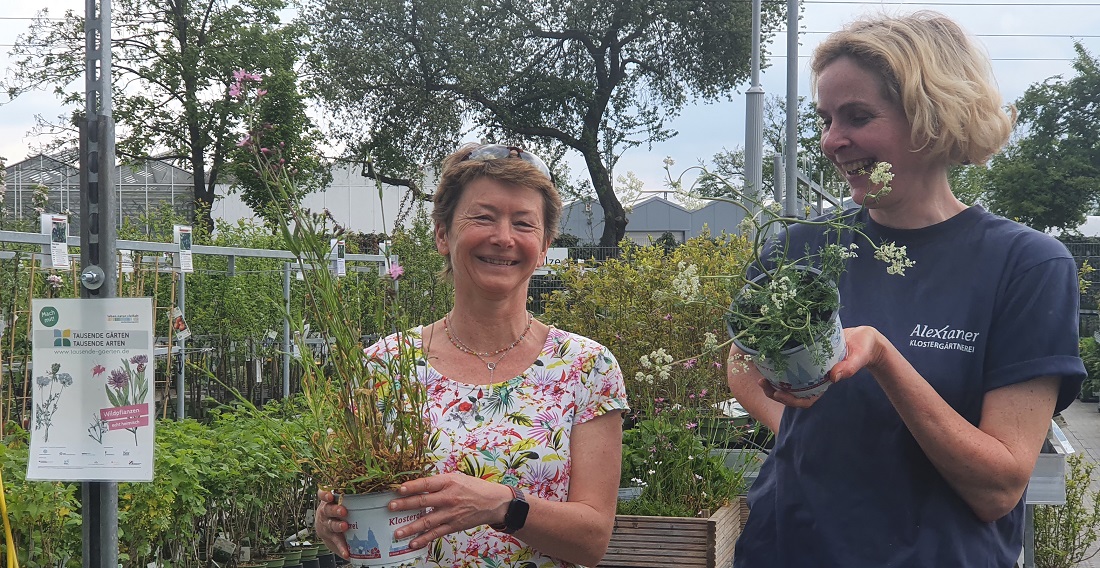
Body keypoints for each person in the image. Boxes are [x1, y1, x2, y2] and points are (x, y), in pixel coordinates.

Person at [727, 11, 1086, 567]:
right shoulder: (801, 247)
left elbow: (998, 489)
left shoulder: (1026, 265)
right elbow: (741, 361)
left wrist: (883, 358)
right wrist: (807, 433)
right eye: (825, 118)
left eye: (858, 116)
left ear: (933, 117)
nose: (831, 141)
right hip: (788, 548)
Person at [314, 143, 629, 567]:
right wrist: (329, 520)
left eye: (524, 223)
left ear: (544, 243)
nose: (503, 237)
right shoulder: (382, 366)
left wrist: (503, 506)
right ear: (443, 234)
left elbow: (592, 541)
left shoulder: (586, 368)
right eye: (483, 217)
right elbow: (343, 502)